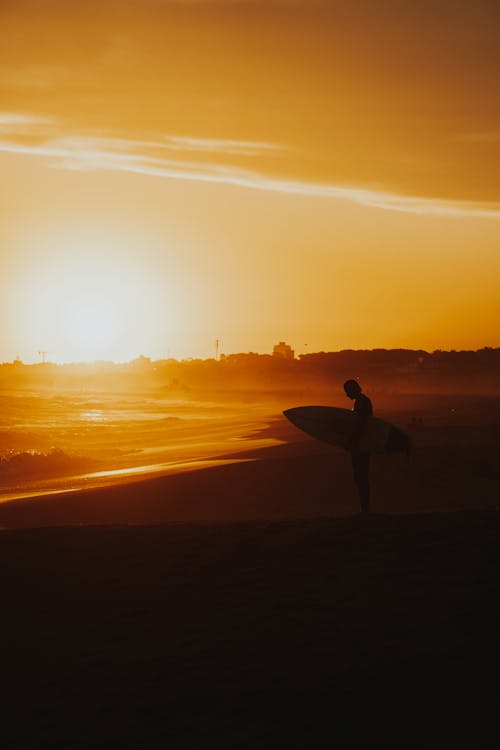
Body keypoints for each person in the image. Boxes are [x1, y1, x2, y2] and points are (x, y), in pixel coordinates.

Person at [343, 379, 372, 513]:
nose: (347, 395)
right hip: (361, 444)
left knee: (361, 476)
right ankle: (364, 507)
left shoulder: (362, 402)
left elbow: (360, 425)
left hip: (362, 445)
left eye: (347, 392)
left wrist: (351, 440)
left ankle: (365, 508)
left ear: (353, 389)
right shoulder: (361, 401)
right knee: (360, 476)